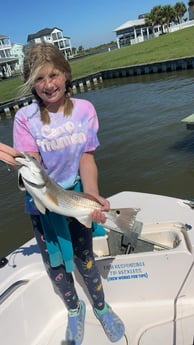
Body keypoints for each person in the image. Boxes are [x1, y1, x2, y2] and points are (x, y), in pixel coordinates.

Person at [12, 42, 125, 345]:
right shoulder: (25, 118)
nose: (47, 85)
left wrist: (92, 196)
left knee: (85, 259)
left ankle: (101, 307)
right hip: (44, 203)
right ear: (31, 83)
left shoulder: (85, 110)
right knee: (57, 267)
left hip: (74, 197)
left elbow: (87, 157)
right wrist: (25, 163)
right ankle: (75, 310)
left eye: (53, 75)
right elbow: (30, 160)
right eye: (38, 79)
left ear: (66, 74)